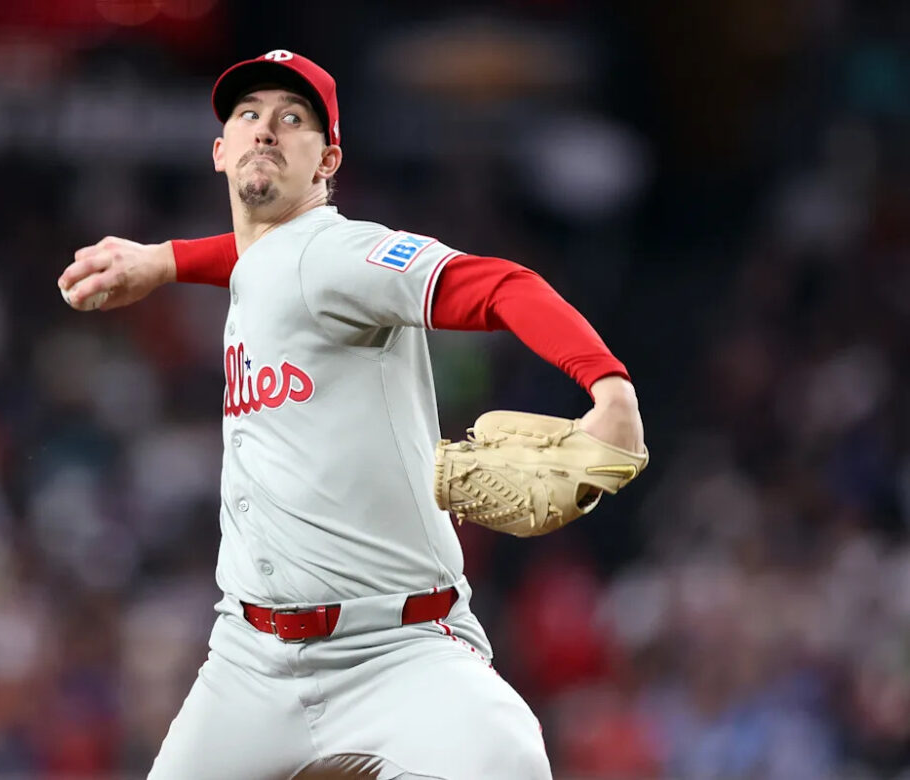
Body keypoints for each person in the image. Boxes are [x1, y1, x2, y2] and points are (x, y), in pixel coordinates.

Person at [59, 49, 645, 780]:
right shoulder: (266, 263)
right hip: (248, 663)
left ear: (327, 160)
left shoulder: (338, 251)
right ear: (220, 152)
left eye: (292, 119)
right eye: (249, 114)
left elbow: (500, 284)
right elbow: (263, 261)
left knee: (511, 761)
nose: (265, 128)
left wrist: (610, 388)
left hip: (396, 649)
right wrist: (166, 260)